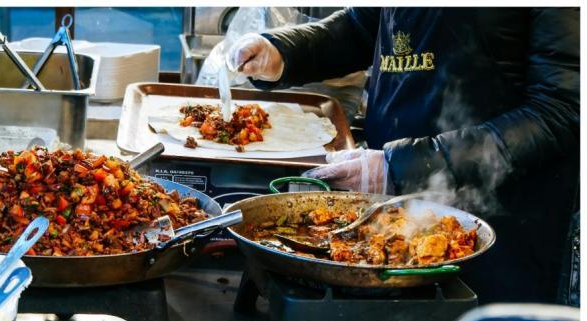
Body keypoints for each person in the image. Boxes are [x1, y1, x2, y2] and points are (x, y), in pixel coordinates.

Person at [228, 7, 579, 305]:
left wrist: (406, 165)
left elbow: (562, 110)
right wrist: (284, 52)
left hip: (503, 228)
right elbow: (363, 26)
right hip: (394, 206)